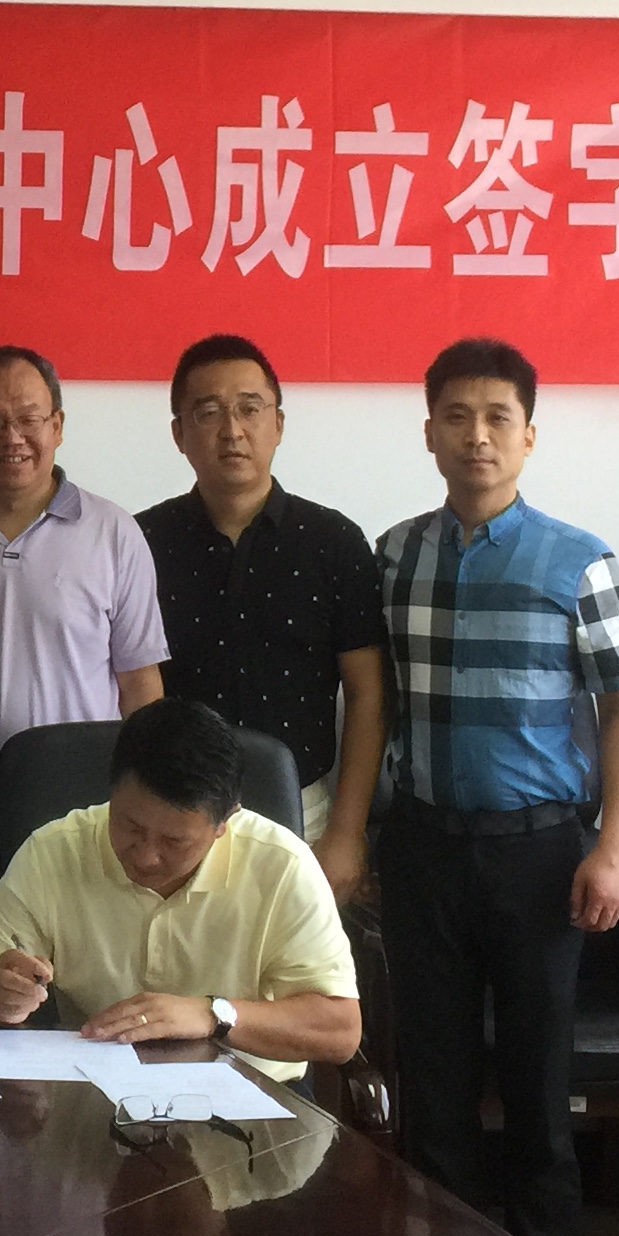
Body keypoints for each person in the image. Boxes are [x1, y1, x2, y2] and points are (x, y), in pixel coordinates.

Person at [371, 335, 619, 1236]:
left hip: (538, 857)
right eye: (457, 417)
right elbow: (374, 705)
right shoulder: (393, 557)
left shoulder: (579, 562)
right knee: (435, 1083)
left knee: (537, 1086)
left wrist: (613, 851)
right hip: (421, 850)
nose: (477, 436)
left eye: (498, 418)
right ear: (429, 433)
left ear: (529, 435)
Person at [0, 344, 168, 981]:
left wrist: (147, 792)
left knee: (74, 967)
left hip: (81, 794)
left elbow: (139, 682)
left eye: (29, 418)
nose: (12, 437)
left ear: (58, 425)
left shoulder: (114, 533)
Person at [0, 695, 359, 1081]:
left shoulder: (282, 865)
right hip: (99, 1093)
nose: (146, 857)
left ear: (224, 822)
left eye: (174, 842)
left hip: (249, 1101)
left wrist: (214, 1015)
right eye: (130, 826)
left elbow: (341, 1031)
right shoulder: (54, 851)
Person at [137, 333, 387, 901]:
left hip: (306, 806)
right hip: (174, 811)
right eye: (209, 412)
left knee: (298, 960)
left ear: (278, 423)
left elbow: (368, 694)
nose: (232, 430)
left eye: (250, 409)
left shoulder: (334, 542)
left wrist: (347, 832)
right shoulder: (140, 542)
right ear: (179, 433)